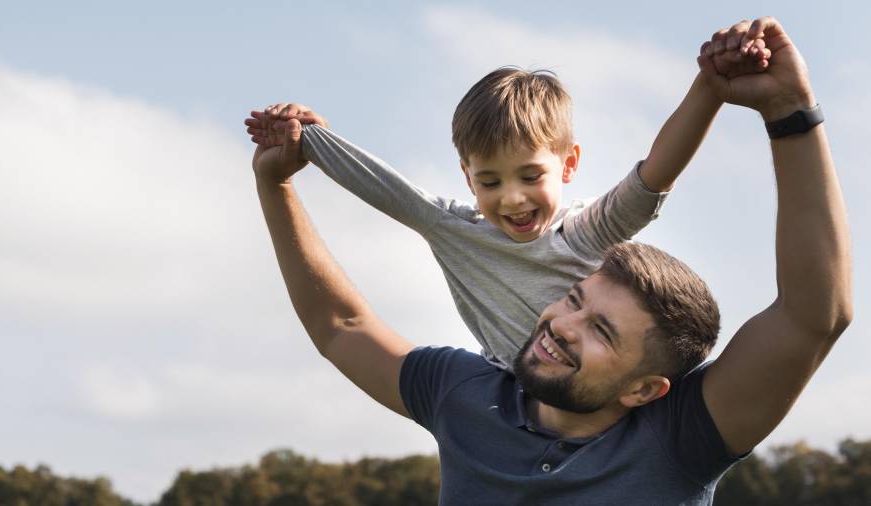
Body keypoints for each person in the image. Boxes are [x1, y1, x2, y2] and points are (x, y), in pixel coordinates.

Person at [252, 17, 852, 504]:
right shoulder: (464, 397)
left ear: (646, 388)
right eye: (573, 300)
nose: (563, 325)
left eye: (602, 332)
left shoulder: (682, 438)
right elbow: (342, 326)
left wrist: (790, 112)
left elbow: (812, 317)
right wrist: (276, 187)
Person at [245, 38, 769, 372]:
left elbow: (655, 173)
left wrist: (710, 86)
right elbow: (383, 186)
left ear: (567, 165)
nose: (512, 198)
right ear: (467, 178)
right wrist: (306, 137)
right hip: (514, 399)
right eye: (490, 181)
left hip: (614, 399)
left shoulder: (586, 234)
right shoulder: (455, 229)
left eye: (530, 175)